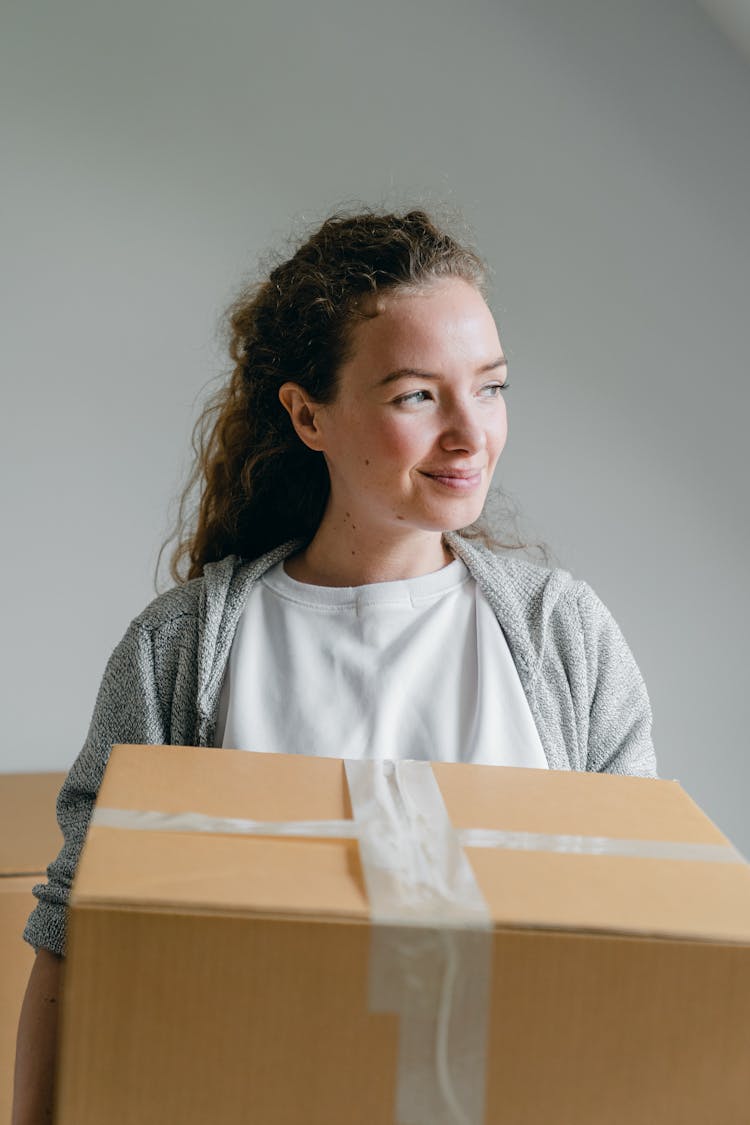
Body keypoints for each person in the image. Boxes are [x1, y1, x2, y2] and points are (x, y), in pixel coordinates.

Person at [12, 207, 657, 1123]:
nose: (471, 434)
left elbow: (647, 930)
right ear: (307, 414)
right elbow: (74, 936)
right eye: (416, 397)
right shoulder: (181, 650)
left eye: (492, 386)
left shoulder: (565, 638)